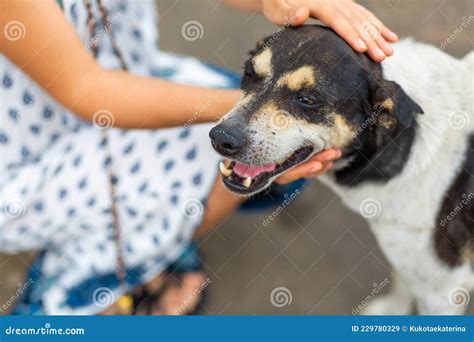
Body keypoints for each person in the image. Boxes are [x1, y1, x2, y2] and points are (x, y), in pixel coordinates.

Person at [0, 0, 398, 315]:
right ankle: (63, 297)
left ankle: (154, 230)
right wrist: (259, 110)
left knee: (271, 143)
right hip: (26, 156)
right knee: (251, 148)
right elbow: (87, 90)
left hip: (124, 71)